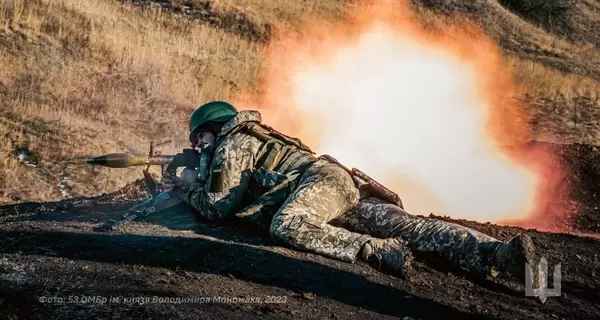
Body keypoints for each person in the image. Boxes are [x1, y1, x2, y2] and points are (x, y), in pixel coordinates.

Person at [162, 100, 535, 281]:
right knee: (413, 228)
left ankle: (373, 249)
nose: (201, 147)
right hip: (335, 186)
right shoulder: (254, 138)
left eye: (201, 139)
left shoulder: (234, 140)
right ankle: (499, 254)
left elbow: (218, 205)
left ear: (215, 126)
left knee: (287, 226)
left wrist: (185, 190)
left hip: (319, 186)